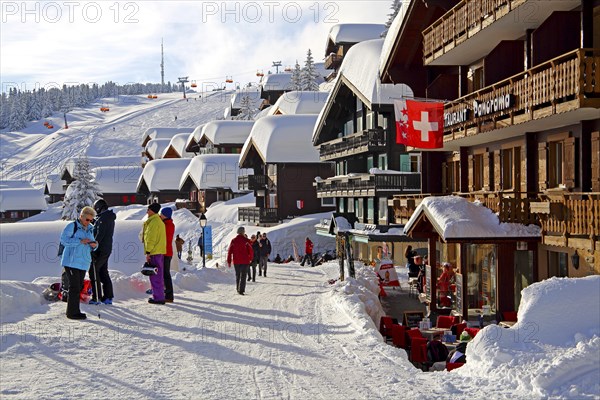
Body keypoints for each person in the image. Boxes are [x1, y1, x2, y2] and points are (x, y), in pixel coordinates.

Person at [60, 206, 98, 320]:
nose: (89, 222)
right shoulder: (72, 226)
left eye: (91, 220)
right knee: (74, 287)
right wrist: (80, 241)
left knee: (79, 287)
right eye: (87, 219)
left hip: (83, 262)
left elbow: (92, 246)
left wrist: (95, 245)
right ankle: (72, 312)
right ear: (81, 216)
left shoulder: (90, 228)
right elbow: (64, 240)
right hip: (71, 262)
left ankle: (75, 311)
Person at [88, 199, 115, 305]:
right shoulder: (107, 217)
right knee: (103, 272)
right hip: (106, 249)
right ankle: (108, 296)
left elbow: (100, 234)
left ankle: (97, 297)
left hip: (101, 249)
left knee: (93, 271)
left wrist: (94, 246)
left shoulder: (103, 219)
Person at [143, 203, 167, 304]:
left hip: (154, 252)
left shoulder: (153, 222)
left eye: (148, 210)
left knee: (155, 276)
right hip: (159, 251)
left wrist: (148, 252)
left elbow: (150, 239)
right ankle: (160, 296)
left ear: (152, 210)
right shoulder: (159, 221)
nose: (147, 212)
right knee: (159, 275)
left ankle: (158, 298)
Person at [227, 226, 253, 295]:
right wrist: (250, 258)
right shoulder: (246, 241)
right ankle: (241, 290)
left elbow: (230, 251)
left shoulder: (233, 240)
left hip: (236, 261)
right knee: (243, 275)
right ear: (243, 232)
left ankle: (237, 288)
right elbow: (250, 250)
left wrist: (229, 261)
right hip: (245, 261)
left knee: (238, 275)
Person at [160, 207, 175, 303]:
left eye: (161, 214)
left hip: (166, 252)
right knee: (164, 273)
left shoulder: (167, 225)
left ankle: (169, 295)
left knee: (166, 274)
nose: (160, 215)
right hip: (167, 252)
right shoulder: (168, 224)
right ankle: (166, 292)